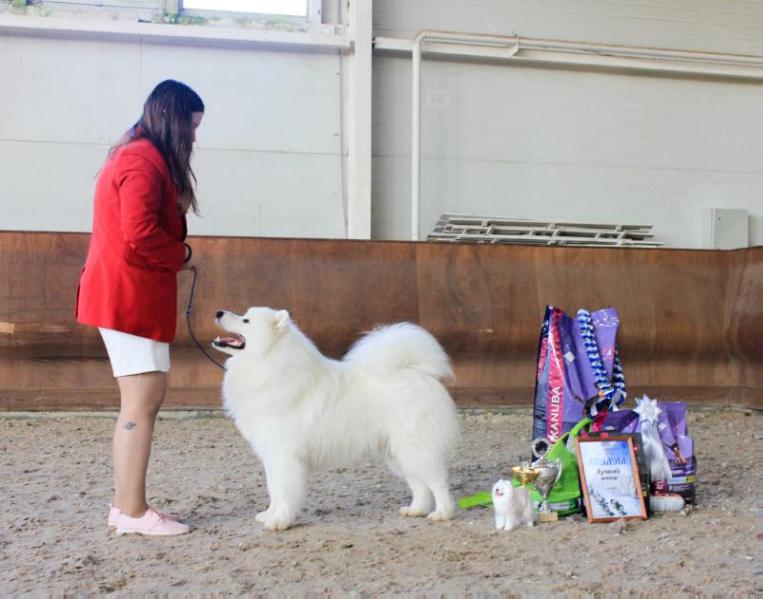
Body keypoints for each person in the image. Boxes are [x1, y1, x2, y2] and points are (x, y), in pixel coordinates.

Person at [75, 80, 204, 536]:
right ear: (173, 119)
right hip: (129, 295)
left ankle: (124, 506)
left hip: (128, 293)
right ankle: (132, 512)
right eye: (191, 128)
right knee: (141, 402)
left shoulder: (134, 154)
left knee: (139, 402)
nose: (193, 138)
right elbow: (141, 232)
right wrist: (181, 256)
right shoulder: (142, 160)